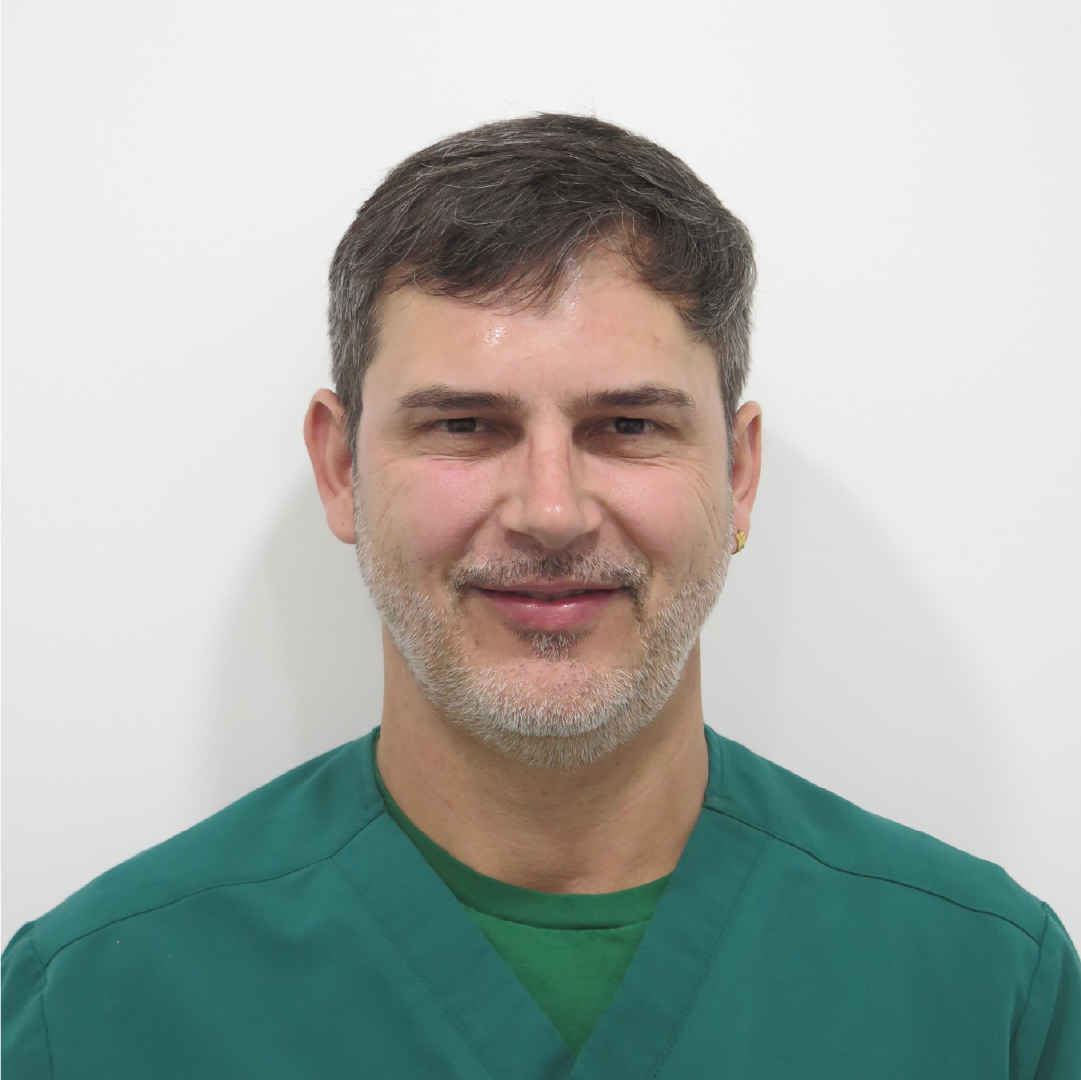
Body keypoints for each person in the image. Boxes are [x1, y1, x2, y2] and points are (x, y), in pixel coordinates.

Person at [1, 114, 1077, 1079]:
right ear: (339, 469)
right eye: (465, 425)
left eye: (628, 425)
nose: (551, 512)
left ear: (738, 474)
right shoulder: (95, 1008)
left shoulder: (984, 991)